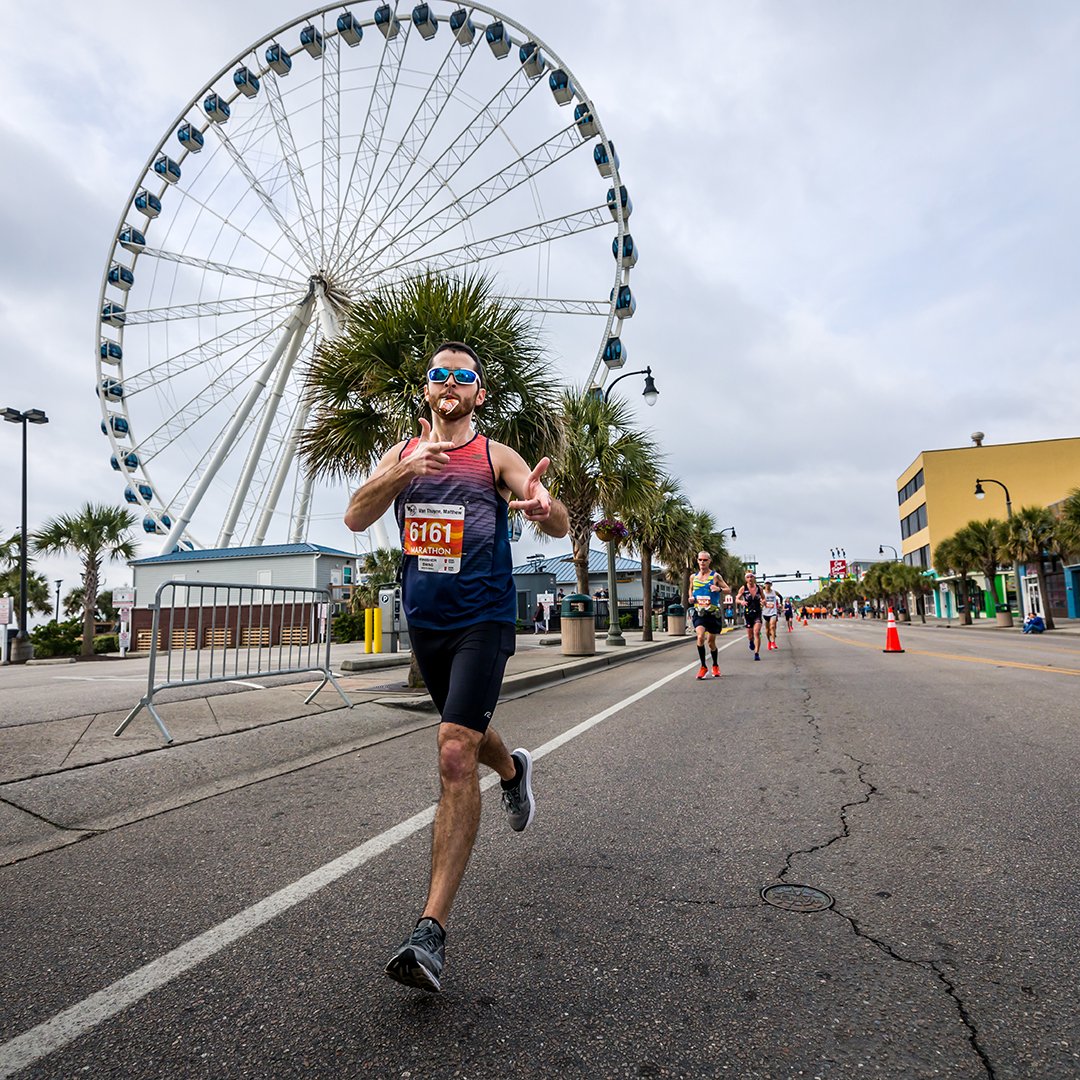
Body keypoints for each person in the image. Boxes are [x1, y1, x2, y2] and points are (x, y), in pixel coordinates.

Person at [343, 341, 568, 992]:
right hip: (429, 624)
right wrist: (401, 472)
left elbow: (552, 516)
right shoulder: (403, 454)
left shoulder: (494, 455)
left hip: (485, 618)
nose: (449, 383)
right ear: (426, 391)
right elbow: (357, 514)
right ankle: (513, 767)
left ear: (478, 393)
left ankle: (429, 932)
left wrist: (539, 505)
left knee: (450, 750)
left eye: (461, 376)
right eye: (438, 375)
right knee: (463, 734)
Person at [687, 550, 730, 679]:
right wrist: (690, 597)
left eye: (705, 560)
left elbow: (728, 589)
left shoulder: (715, 576)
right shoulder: (693, 577)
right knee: (700, 637)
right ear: (697, 561)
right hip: (699, 612)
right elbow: (690, 589)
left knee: (711, 642)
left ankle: (715, 665)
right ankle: (703, 666)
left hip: (712, 613)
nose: (702, 562)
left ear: (709, 561)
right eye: (700, 560)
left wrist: (719, 589)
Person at [735, 571, 764, 660]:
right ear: (746, 579)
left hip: (757, 613)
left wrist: (763, 602)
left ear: (754, 578)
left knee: (756, 632)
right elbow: (736, 599)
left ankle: (756, 653)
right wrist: (741, 602)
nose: (750, 579)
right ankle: (751, 641)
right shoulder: (743, 588)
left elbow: (763, 598)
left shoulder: (759, 588)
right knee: (750, 635)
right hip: (748, 614)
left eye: (751, 577)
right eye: (748, 577)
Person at [761, 582, 781, 650]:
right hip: (765, 612)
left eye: (769, 584)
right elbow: (759, 599)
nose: (768, 585)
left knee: (772, 626)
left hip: (773, 612)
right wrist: (761, 603)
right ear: (764, 585)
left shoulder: (774, 592)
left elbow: (780, 596)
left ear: (771, 585)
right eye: (766, 584)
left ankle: (773, 642)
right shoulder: (762, 592)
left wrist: (780, 604)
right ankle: (769, 642)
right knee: (767, 630)